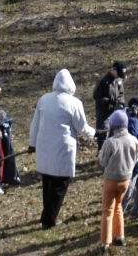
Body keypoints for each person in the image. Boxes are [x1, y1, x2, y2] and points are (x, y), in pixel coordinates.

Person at [29, 69, 96, 229]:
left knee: (49, 182)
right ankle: (48, 219)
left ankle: (48, 213)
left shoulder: (44, 99)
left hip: (45, 147)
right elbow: (81, 127)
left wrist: (32, 144)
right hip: (62, 148)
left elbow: (35, 124)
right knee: (59, 184)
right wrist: (94, 133)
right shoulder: (74, 102)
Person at [97, 109, 138, 253]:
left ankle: (105, 242)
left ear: (113, 125)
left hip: (111, 179)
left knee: (107, 210)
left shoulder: (110, 142)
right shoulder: (133, 140)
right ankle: (120, 235)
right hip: (126, 179)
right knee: (119, 206)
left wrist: (100, 155)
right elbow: (136, 158)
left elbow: (103, 162)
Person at [93, 61, 127, 150]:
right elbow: (96, 96)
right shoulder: (103, 81)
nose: (119, 76)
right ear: (113, 70)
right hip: (103, 111)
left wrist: (120, 103)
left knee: (114, 132)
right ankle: (102, 153)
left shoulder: (119, 80)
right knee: (103, 133)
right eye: (118, 74)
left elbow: (121, 94)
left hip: (115, 111)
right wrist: (108, 101)